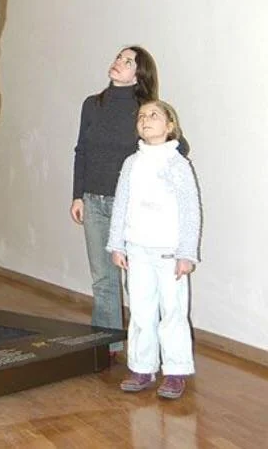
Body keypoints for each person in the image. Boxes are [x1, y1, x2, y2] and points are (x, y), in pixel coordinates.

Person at [107, 100, 201, 400]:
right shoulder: (131, 163)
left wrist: (186, 253)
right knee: (141, 311)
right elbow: (121, 205)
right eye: (141, 116)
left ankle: (175, 371)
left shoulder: (178, 164)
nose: (146, 119)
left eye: (154, 115)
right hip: (137, 251)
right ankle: (142, 367)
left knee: (173, 311)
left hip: (170, 254)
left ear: (170, 126)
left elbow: (190, 210)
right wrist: (117, 244)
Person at [70, 46, 159, 352]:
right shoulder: (92, 105)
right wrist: (78, 196)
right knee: (103, 280)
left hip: (130, 208)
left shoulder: (146, 109)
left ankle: (146, 347)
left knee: (137, 281)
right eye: (119, 57)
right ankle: (108, 346)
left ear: (139, 74)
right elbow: (81, 151)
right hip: (93, 202)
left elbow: (175, 147)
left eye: (128, 61)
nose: (118, 62)